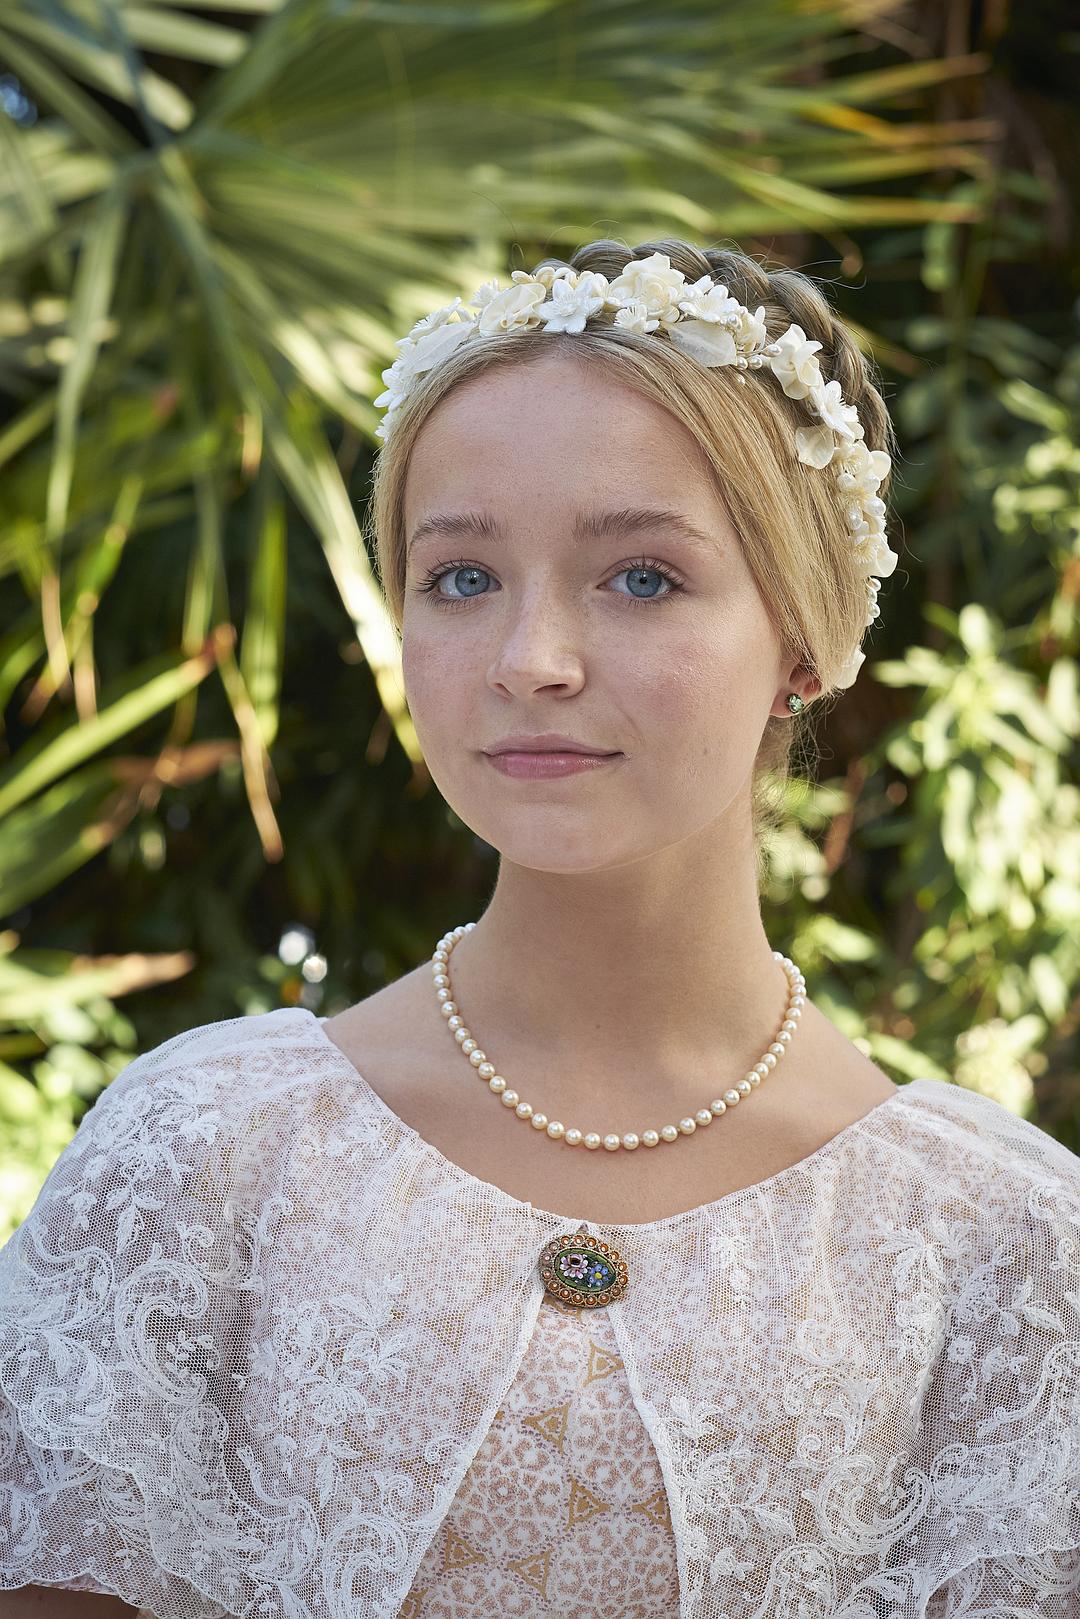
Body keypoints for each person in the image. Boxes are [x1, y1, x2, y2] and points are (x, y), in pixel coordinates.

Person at [3, 238, 1079, 1619]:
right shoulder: (198, 1158)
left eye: (643, 577)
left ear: (804, 639)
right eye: (461, 578)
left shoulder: (1002, 1244)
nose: (531, 661)